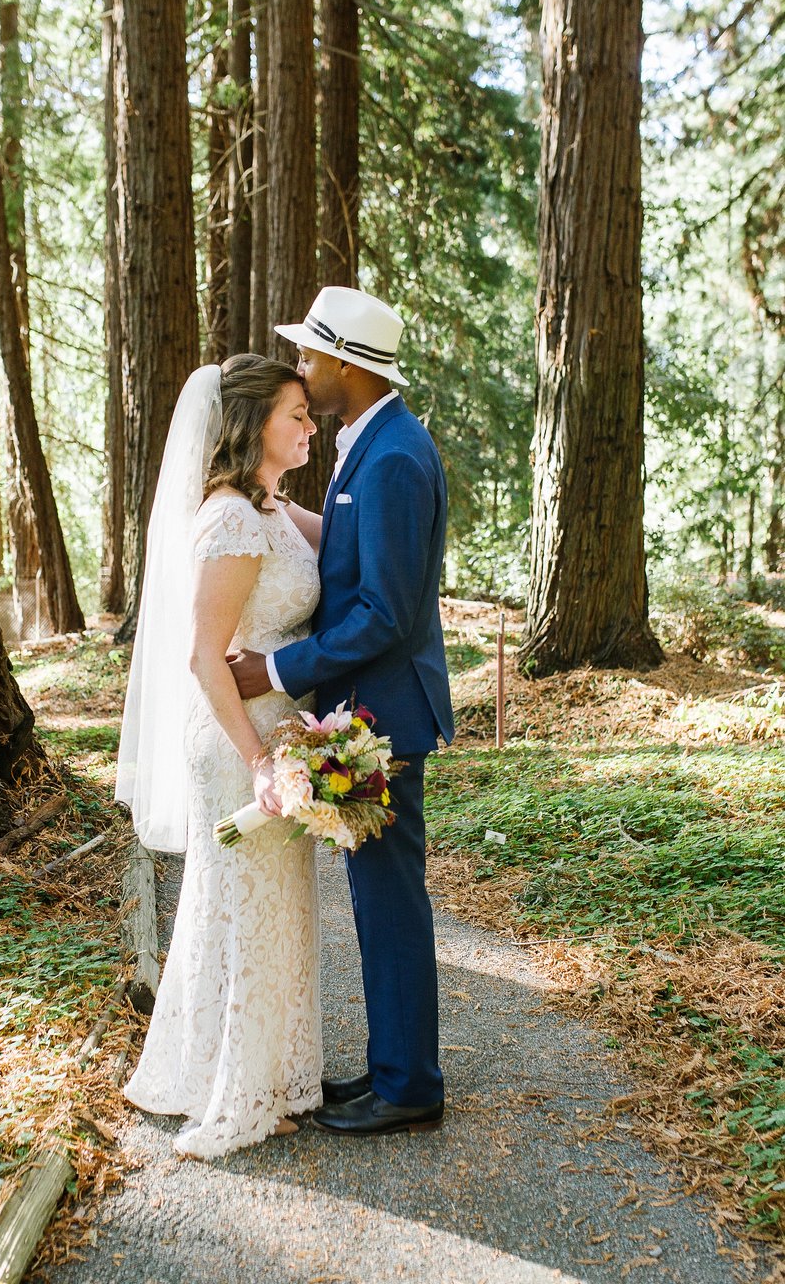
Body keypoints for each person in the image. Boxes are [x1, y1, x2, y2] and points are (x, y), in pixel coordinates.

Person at [231, 286, 455, 1137]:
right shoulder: (374, 442)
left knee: (389, 896)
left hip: (384, 715)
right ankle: (395, 1067)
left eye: (311, 356)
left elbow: (386, 613)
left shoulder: (395, 456)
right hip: (371, 708)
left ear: (348, 366)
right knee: (378, 895)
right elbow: (359, 553)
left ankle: (410, 1088)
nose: (301, 367)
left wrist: (278, 667)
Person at [117, 353, 323, 1160]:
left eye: (310, 414)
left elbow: (345, 534)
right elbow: (206, 657)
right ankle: (229, 1093)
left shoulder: (272, 509)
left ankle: (265, 1078)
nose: (310, 428)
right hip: (238, 739)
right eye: (295, 415)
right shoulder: (231, 518)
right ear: (250, 425)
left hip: (282, 732)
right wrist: (261, 759)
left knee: (275, 908)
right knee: (239, 908)